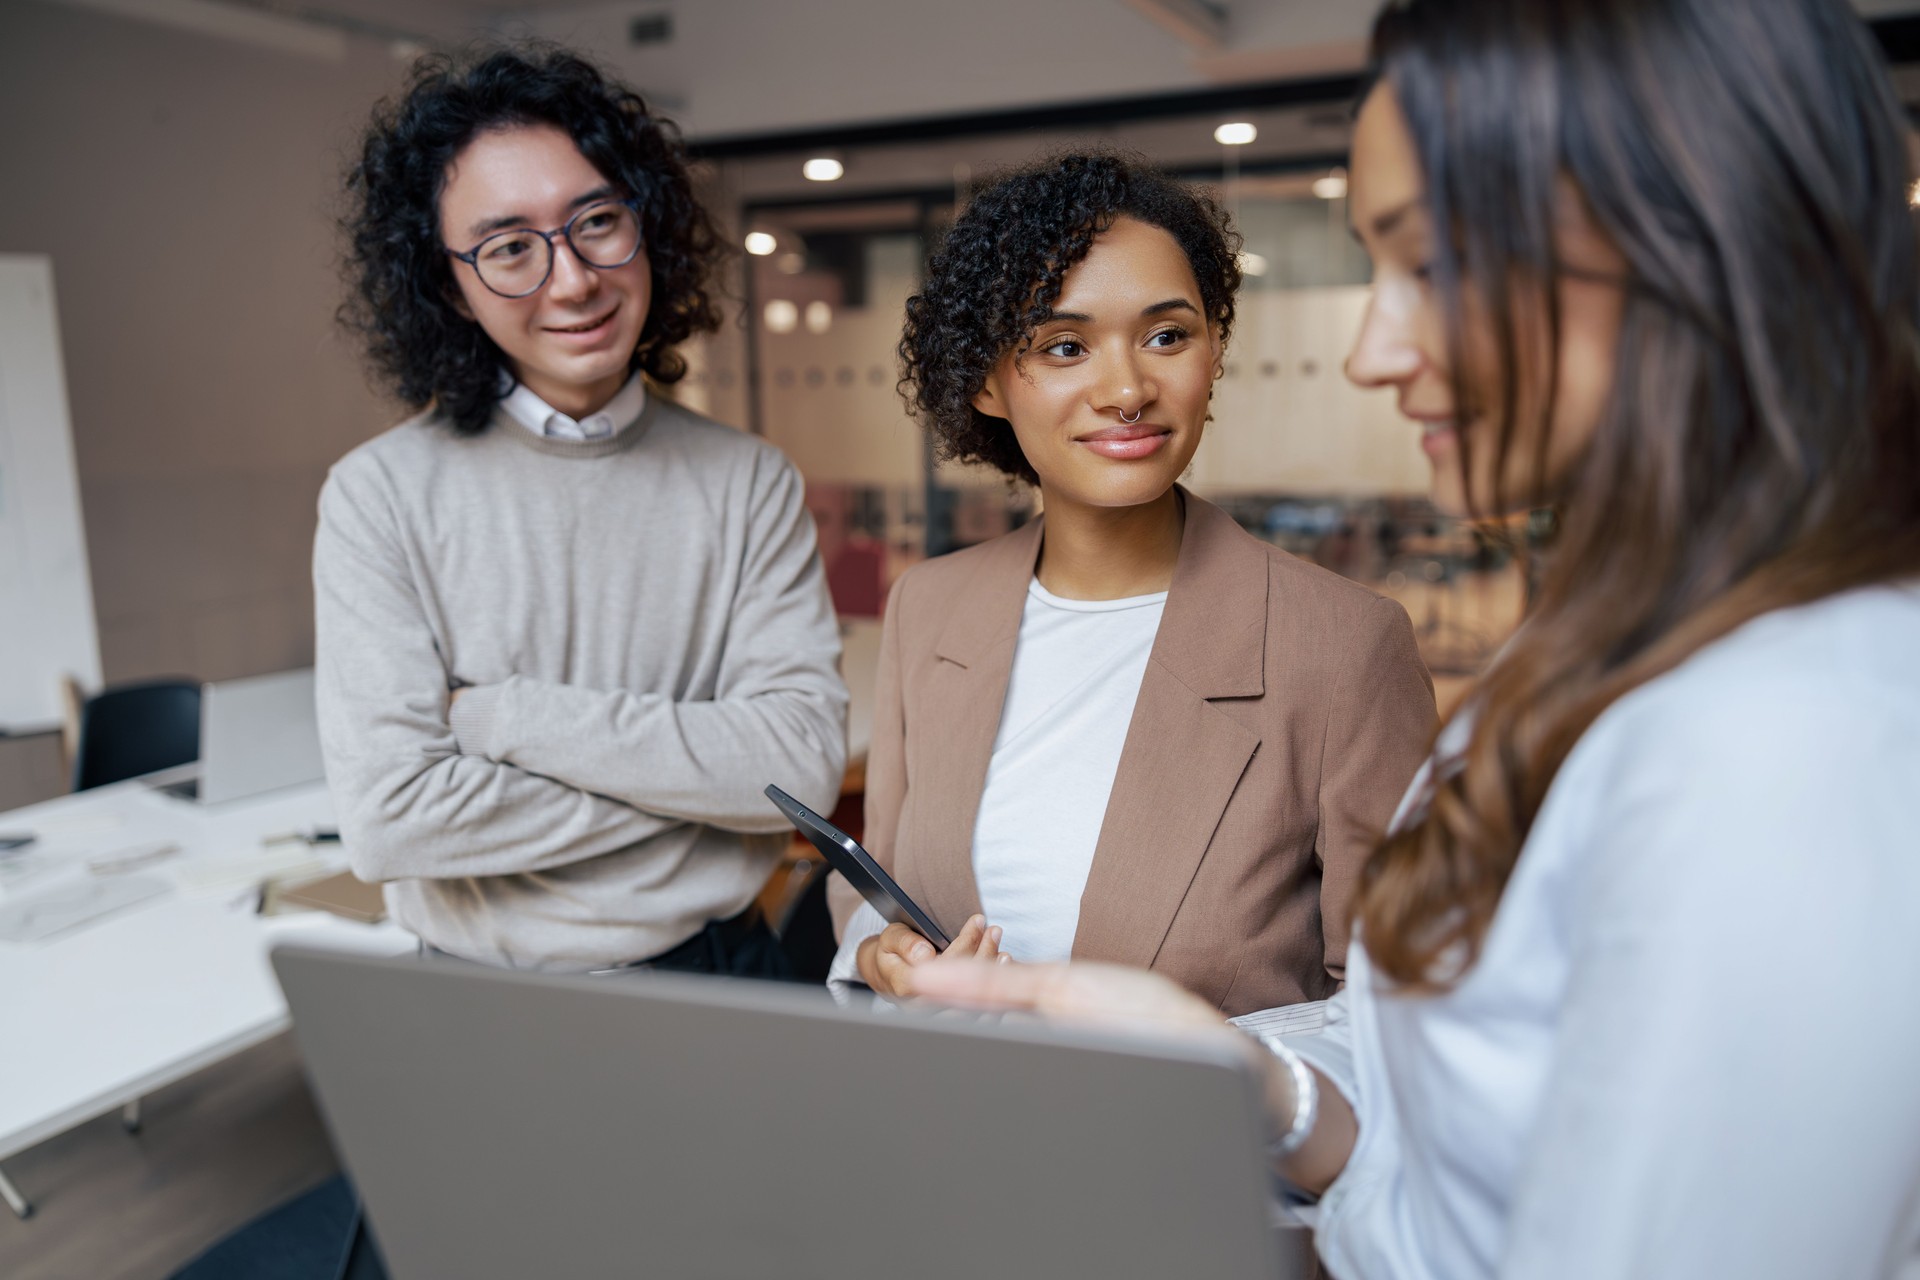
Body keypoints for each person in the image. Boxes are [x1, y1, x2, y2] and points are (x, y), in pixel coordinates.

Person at [915, 0, 1920, 1275]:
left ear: (1696, 236)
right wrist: (1247, 1076)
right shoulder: (1615, 658)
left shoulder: (1787, 748)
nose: (1374, 351)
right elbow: (1477, 1162)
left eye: (1433, 263)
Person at [827, 153, 1437, 1013]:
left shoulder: (1343, 649)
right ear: (990, 381)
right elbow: (875, 888)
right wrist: (883, 953)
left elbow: (1399, 1012)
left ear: (1213, 350)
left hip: (1201, 1145)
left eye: (1166, 335)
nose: (1127, 390)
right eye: (1065, 346)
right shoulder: (928, 608)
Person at [315, 47, 847, 977]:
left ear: (648, 223)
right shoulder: (379, 495)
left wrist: (504, 719)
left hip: (717, 972)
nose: (571, 281)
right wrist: (700, 792)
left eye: (597, 221)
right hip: (480, 1001)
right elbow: (390, 820)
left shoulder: (748, 481)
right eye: (509, 246)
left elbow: (798, 773)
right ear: (448, 283)